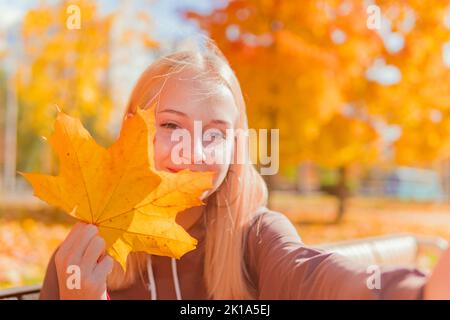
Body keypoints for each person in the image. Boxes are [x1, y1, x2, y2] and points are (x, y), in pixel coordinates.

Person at [39, 39, 450, 300]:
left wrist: (417, 293)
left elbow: (310, 276)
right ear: (132, 130)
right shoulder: (80, 258)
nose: (194, 151)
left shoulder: (253, 235)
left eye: (215, 134)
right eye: (170, 125)